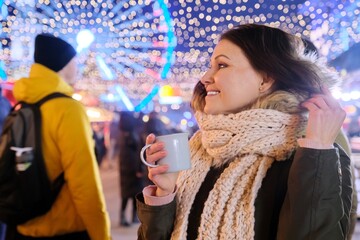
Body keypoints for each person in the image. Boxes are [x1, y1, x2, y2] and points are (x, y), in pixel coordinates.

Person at [136, 24, 353, 239]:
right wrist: (164, 195)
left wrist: (318, 151)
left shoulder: (307, 153)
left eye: (222, 65)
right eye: (210, 66)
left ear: (266, 79)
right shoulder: (198, 150)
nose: (205, 78)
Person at [7, 34, 111, 239]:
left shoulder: (22, 103)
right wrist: (101, 235)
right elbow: (84, 184)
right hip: (63, 229)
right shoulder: (68, 109)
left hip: (20, 227)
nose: (78, 67)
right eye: (75, 61)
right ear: (63, 64)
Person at [118, 111, 144, 227]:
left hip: (126, 168)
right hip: (132, 168)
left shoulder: (123, 135)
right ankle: (128, 216)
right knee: (131, 194)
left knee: (128, 194)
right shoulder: (132, 135)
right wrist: (139, 168)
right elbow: (137, 152)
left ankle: (127, 216)